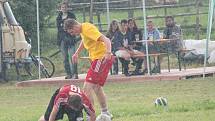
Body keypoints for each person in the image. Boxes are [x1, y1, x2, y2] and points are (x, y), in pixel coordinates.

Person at [64, 19, 114, 118]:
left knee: (87, 89)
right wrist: (77, 52)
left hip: (100, 59)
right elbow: (85, 40)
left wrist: (108, 53)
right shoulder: (83, 30)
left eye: (72, 32)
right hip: (98, 59)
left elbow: (106, 39)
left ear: (74, 26)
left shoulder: (87, 29)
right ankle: (105, 112)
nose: (73, 34)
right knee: (96, 87)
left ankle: (91, 115)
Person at [56, 2, 78, 79]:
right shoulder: (58, 17)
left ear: (67, 8)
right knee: (65, 58)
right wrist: (64, 28)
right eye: (62, 7)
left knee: (73, 56)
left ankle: (75, 73)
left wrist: (65, 27)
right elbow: (59, 29)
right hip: (62, 39)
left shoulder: (72, 16)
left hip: (71, 38)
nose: (64, 9)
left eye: (65, 7)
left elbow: (73, 26)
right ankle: (68, 74)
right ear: (60, 8)